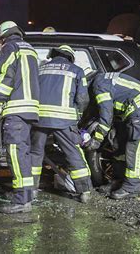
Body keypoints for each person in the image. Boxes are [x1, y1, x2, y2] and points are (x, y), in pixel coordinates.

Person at [30, 45, 92, 203]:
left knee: (35, 154)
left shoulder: (41, 68)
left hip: (39, 119)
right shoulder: (77, 70)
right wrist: (76, 117)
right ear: (70, 57)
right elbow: (83, 99)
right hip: (63, 120)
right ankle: (84, 192)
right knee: (72, 153)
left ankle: (31, 191)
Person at [0, 21, 40, 214]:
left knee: (15, 155)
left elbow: (7, 76)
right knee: (23, 154)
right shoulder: (30, 49)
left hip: (16, 110)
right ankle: (26, 195)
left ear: (2, 37)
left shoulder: (9, 48)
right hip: (29, 110)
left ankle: (21, 200)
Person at [85, 72, 140, 199]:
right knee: (117, 145)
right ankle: (118, 180)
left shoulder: (99, 86)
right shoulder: (100, 81)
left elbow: (106, 114)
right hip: (128, 112)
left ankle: (132, 187)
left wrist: (97, 138)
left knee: (134, 149)